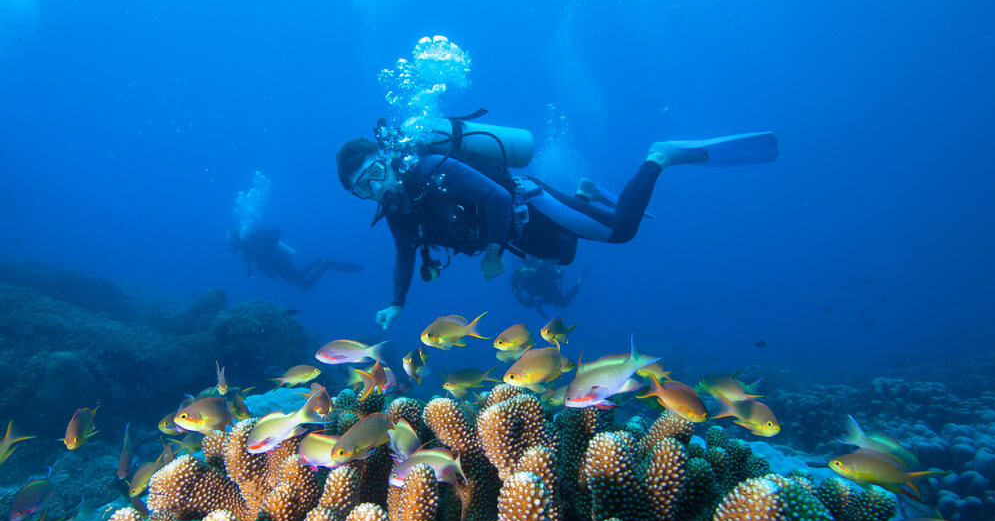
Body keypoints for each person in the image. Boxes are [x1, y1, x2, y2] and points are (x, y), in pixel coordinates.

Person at [336, 126, 778, 328]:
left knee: (621, 231)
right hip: (516, 233)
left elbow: (497, 198)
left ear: (386, 159)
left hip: (528, 203)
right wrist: (396, 303)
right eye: (362, 189)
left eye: (375, 174)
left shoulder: (430, 168)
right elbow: (404, 254)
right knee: (567, 253)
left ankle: (658, 156)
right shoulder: (397, 209)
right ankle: (585, 193)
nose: (375, 189)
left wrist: (493, 254)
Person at [228, 227, 362, 289]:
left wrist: (260, 271)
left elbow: (258, 260)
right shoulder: (248, 247)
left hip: (280, 264)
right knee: (300, 279)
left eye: (233, 243)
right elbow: (253, 264)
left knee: (304, 285)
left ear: (237, 240)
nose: (233, 247)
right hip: (281, 263)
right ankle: (318, 262)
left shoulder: (249, 246)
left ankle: (323, 265)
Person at [511, 257, 588, 318]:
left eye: (531, 268)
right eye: (526, 268)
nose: (528, 271)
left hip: (546, 291)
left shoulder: (543, 272)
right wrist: (525, 300)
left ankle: (580, 280)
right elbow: (516, 290)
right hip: (536, 294)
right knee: (527, 303)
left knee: (563, 303)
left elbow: (558, 277)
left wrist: (540, 302)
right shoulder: (517, 275)